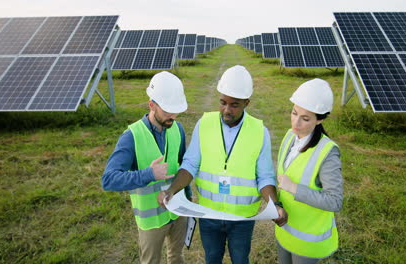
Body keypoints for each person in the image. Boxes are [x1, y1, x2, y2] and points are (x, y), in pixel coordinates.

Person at [157, 65, 287, 264]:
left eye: (234, 105)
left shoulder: (260, 132)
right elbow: (190, 164)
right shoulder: (204, 124)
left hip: (243, 219)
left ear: (246, 103)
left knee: (240, 260)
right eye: (223, 102)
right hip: (209, 216)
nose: (226, 110)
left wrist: (275, 205)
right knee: (212, 259)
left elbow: (265, 177)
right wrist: (172, 190)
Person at [101, 71, 191, 264]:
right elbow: (108, 180)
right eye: (167, 111)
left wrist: (188, 198)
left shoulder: (178, 129)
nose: (173, 116)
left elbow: (184, 165)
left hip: (177, 211)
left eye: (175, 111)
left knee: (176, 257)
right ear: (152, 105)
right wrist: (148, 174)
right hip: (151, 221)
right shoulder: (131, 136)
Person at [275, 79, 343, 264]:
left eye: (305, 119)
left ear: (320, 119)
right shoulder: (290, 136)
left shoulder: (327, 153)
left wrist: (294, 188)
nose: (296, 122)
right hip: (284, 229)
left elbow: (335, 201)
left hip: (308, 242)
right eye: (294, 113)